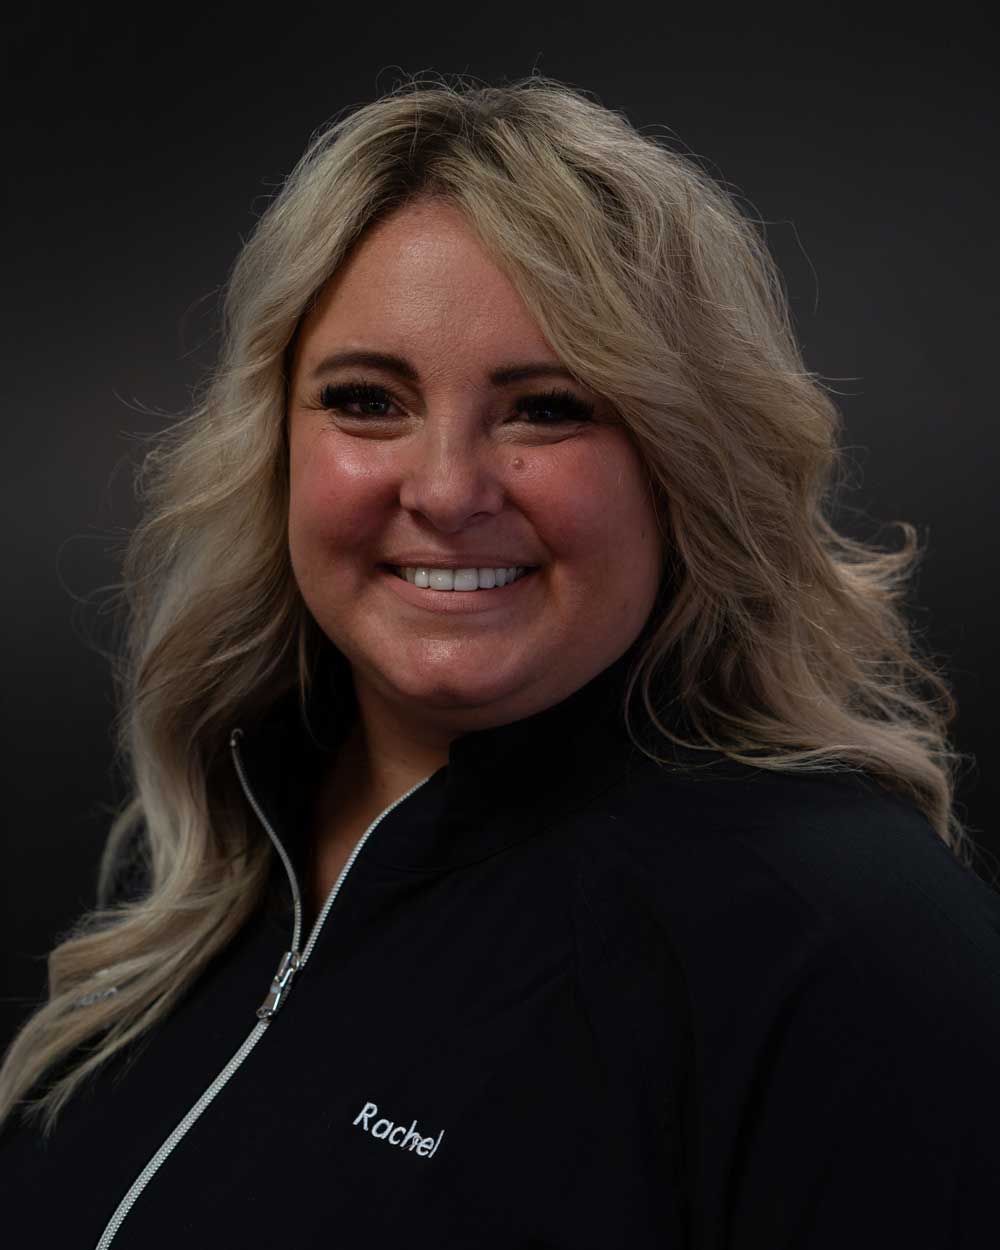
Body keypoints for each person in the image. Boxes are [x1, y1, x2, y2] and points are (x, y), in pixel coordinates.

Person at [1, 72, 998, 1248]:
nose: (446, 491)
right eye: (367, 400)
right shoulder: (225, 836)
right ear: (273, 444)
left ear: (684, 465)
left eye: (546, 409)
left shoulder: (850, 944)